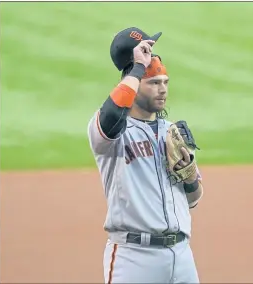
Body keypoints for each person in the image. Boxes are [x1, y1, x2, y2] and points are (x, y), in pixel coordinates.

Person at [87, 27, 204, 284]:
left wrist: (189, 176)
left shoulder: (173, 133)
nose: (162, 89)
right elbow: (112, 113)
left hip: (181, 255)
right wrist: (138, 69)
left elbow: (194, 200)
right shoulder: (113, 134)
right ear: (135, 82)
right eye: (153, 83)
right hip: (134, 258)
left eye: (165, 83)